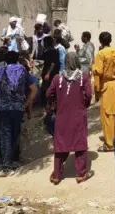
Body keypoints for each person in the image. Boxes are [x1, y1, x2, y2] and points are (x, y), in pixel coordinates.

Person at [46, 52, 94, 184]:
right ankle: (80, 174)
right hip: (78, 114)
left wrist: (55, 103)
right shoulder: (83, 77)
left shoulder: (57, 78)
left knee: (60, 143)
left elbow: (48, 93)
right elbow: (89, 94)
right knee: (79, 142)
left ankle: (56, 174)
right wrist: (85, 103)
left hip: (62, 115)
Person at [0, 51, 29, 176]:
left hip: (4, 107)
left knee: (5, 135)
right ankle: (13, 160)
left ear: (5, 60)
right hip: (18, 108)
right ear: (17, 59)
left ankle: (6, 166)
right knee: (15, 133)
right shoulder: (23, 70)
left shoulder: (0, 70)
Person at [93, 31, 115, 152]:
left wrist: (96, 90)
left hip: (107, 86)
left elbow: (98, 73)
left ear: (100, 41)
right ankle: (114, 137)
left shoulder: (100, 54)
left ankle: (109, 144)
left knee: (107, 114)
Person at [40, 36, 60, 106]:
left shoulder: (53, 51)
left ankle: (50, 105)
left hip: (51, 74)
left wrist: (48, 73)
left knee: (48, 89)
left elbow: (53, 63)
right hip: (48, 73)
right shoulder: (46, 51)